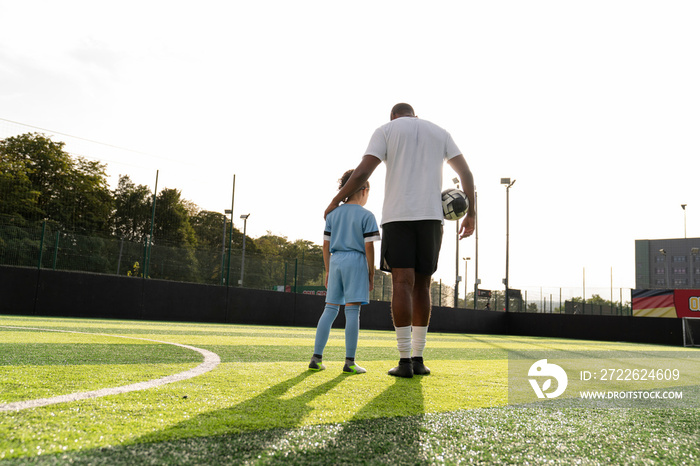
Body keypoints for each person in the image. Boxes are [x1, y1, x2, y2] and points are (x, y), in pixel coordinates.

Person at [324, 103, 475, 378]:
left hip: (398, 217)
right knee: (423, 286)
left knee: (402, 284)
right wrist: (472, 215)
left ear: (393, 116)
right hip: (431, 218)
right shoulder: (439, 131)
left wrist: (336, 200)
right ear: (413, 114)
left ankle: (404, 361)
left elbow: (361, 173)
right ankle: (419, 359)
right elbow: (466, 174)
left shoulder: (386, 130)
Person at [310, 169, 380, 374]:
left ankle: (316, 357)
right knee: (352, 311)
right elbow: (369, 247)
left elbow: (325, 245)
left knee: (329, 310)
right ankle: (349, 362)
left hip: (336, 260)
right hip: (356, 261)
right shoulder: (367, 216)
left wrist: (328, 270)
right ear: (364, 190)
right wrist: (371, 272)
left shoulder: (333, 214)